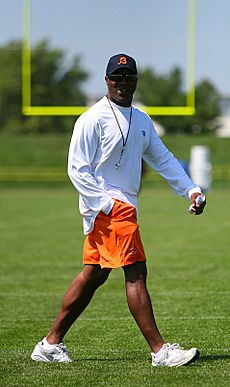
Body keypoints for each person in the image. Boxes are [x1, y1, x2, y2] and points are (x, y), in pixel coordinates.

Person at [31, 53, 206, 367]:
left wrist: (191, 189)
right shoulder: (92, 118)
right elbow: (77, 169)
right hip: (109, 209)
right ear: (106, 80)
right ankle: (160, 351)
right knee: (136, 272)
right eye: (117, 77)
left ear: (136, 80)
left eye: (128, 77)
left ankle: (49, 344)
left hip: (122, 207)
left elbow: (163, 159)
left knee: (94, 275)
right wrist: (107, 204)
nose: (122, 83)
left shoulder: (140, 119)